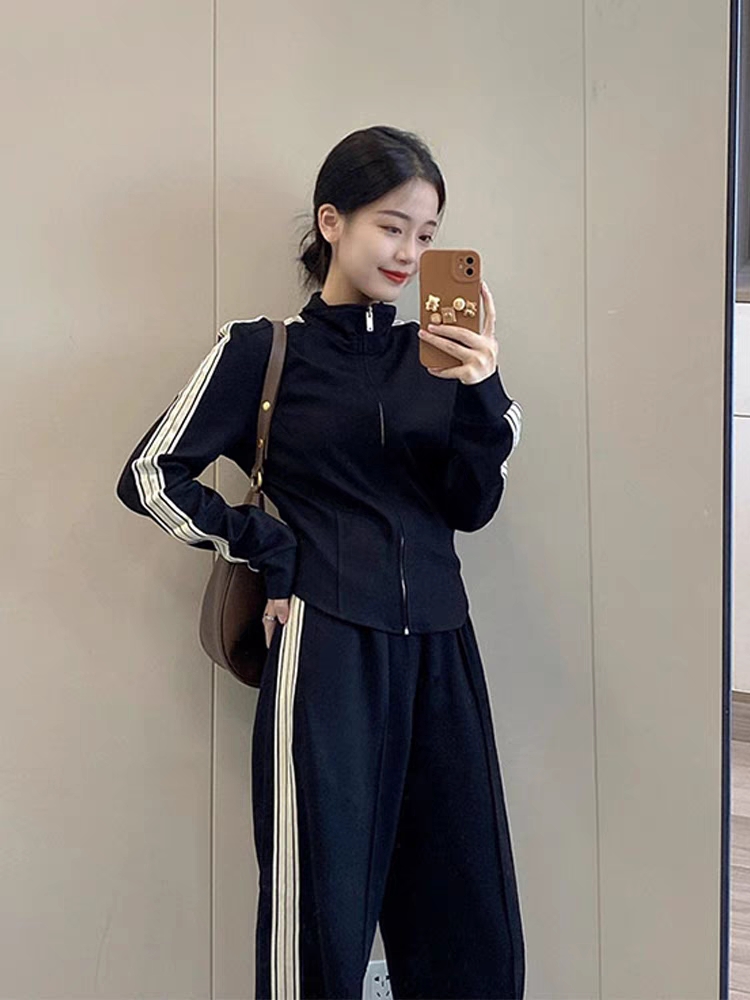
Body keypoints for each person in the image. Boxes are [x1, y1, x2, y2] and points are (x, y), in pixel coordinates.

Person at [115, 124, 525, 1000]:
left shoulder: (441, 360)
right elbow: (150, 474)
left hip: (442, 650)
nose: (409, 252)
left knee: (467, 913)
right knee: (319, 909)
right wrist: (274, 550)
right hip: (327, 650)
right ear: (331, 222)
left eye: (426, 233)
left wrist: (483, 389)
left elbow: (472, 506)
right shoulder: (261, 351)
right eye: (391, 226)